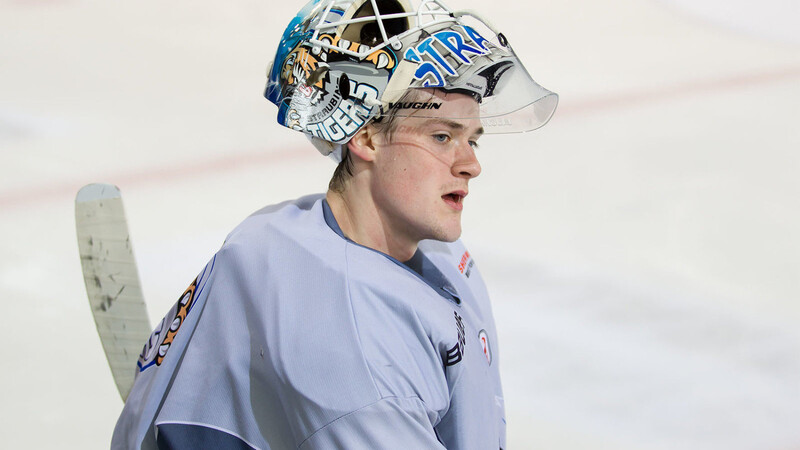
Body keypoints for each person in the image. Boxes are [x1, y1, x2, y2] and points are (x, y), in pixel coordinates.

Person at [112, 0, 557, 448]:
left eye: (471, 139)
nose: (470, 165)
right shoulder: (362, 370)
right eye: (441, 136)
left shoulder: (271, 234)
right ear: (364, 135)